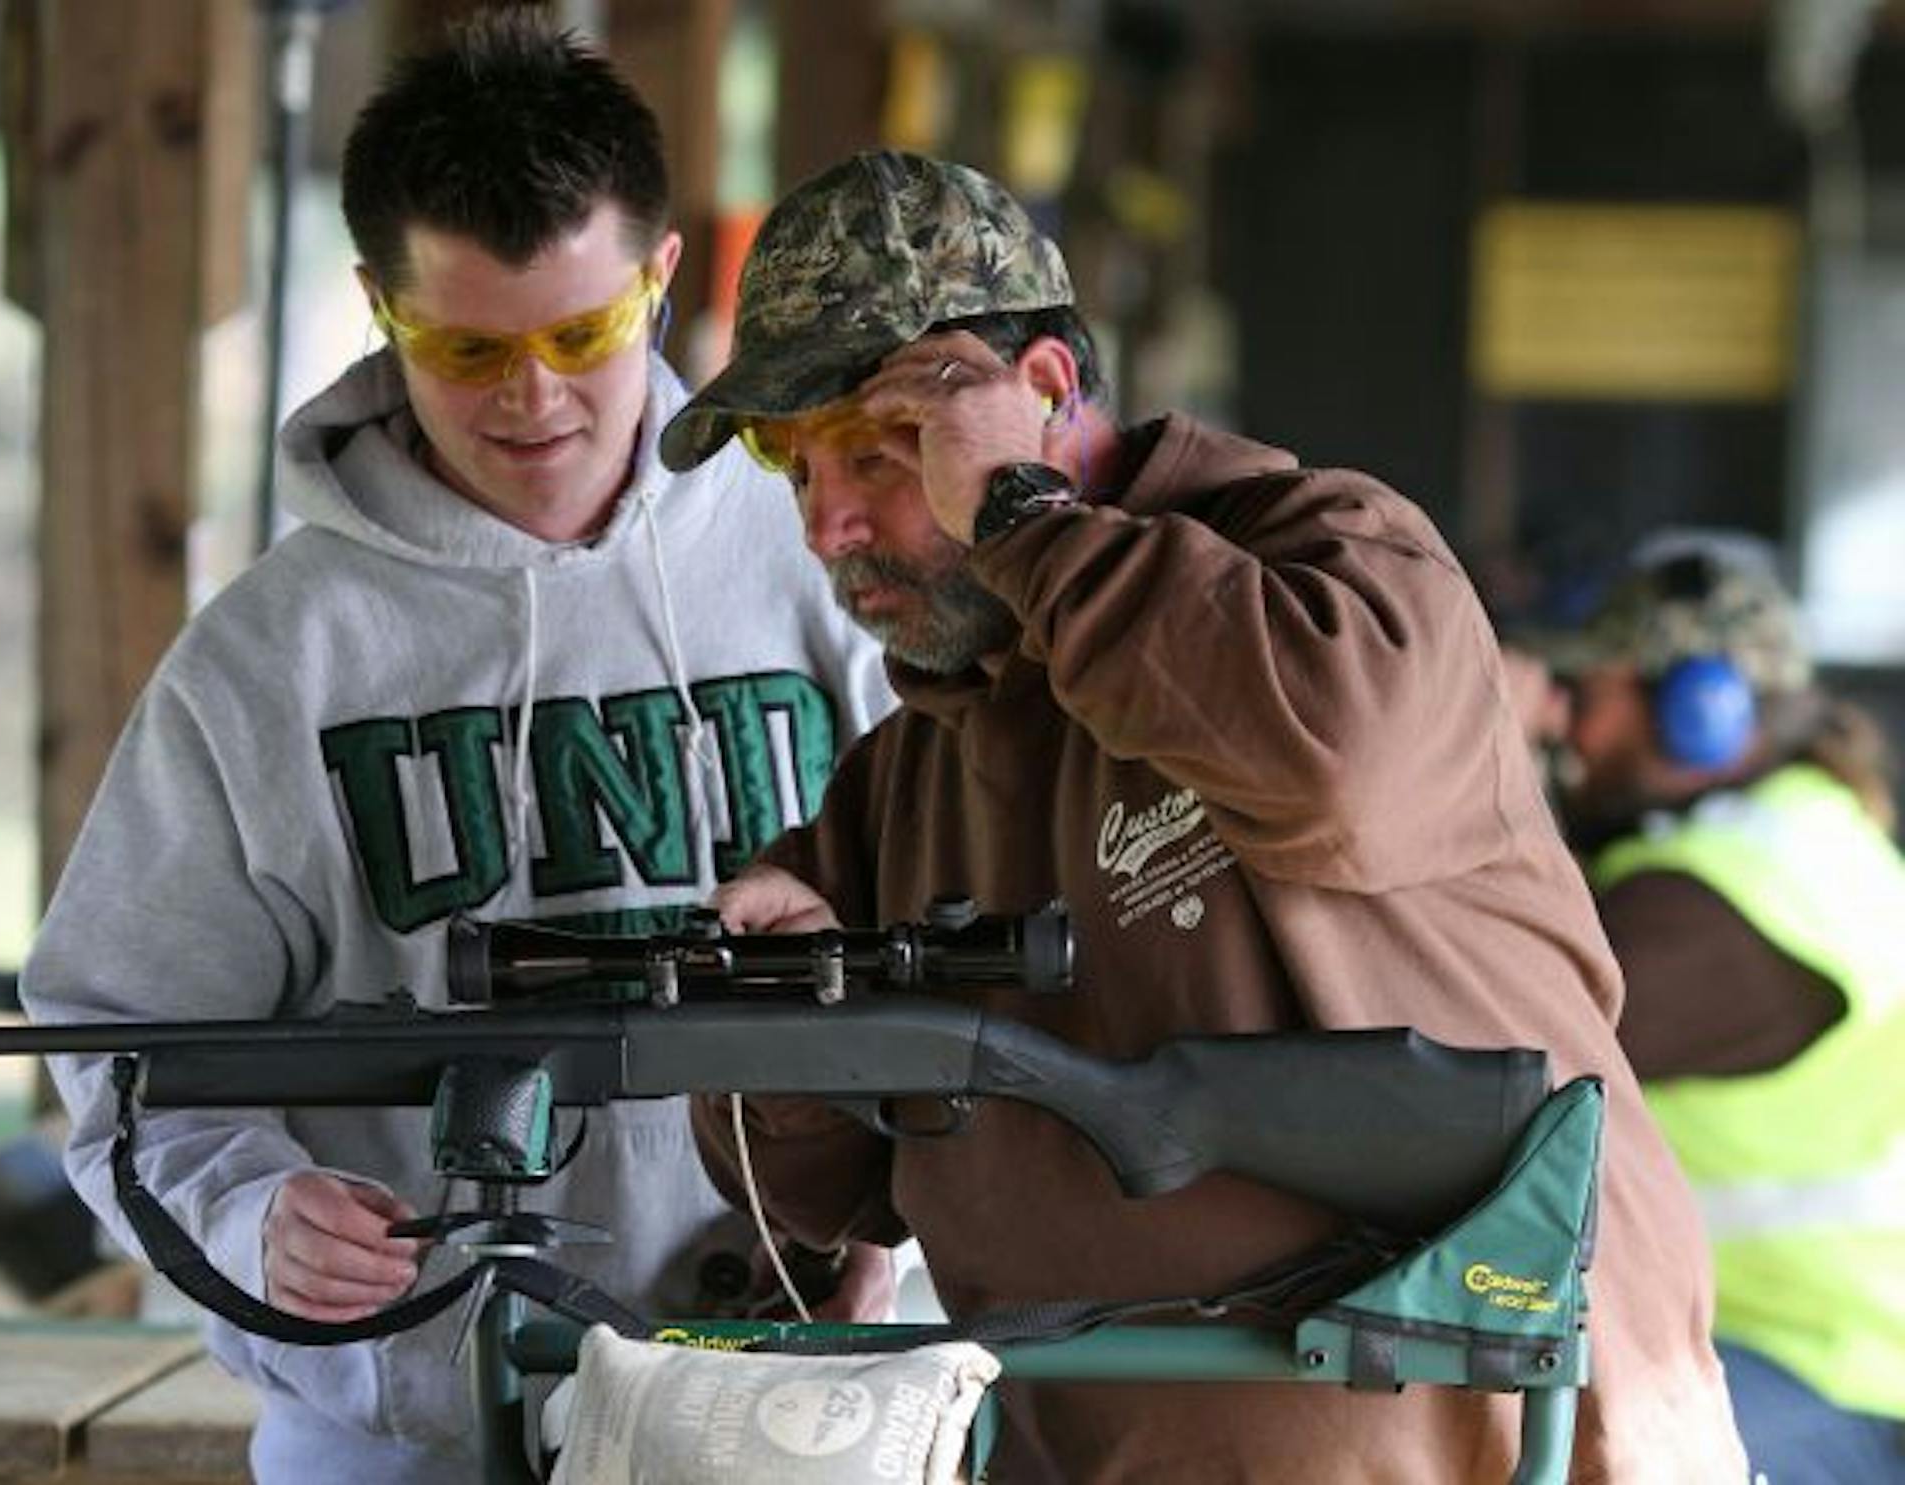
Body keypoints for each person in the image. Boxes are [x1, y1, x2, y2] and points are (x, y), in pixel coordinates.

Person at [657, 150, 1750, 1481]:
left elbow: (1333, 764)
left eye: (881, 451)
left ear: (1044, 394)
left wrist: (1017, 516)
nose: (830, 523)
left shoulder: (1333, 554)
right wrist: (778, 1024)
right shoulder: (902, 779)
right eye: (794, 465)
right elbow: (817, 1198)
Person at [19, 13, 894, 1482]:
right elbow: (122, 1050)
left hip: (807, 1398)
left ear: (664, 277)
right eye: (467, 345)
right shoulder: (268, 660)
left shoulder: (834, 554)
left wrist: (897, 1215)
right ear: (379, 305)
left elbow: (985, 958)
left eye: (582, 332)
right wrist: (254, 1217)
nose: (532, 397)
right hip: (405, 1428)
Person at [1510, 543, 1905, 1483]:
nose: (1571, 728)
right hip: (1805, 1357)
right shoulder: (1804, 842)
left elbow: (1493, 1036)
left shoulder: (1721, 902)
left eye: (1587, 692)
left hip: (1818, 1377)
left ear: (1700, 713)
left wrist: (1488, 764)